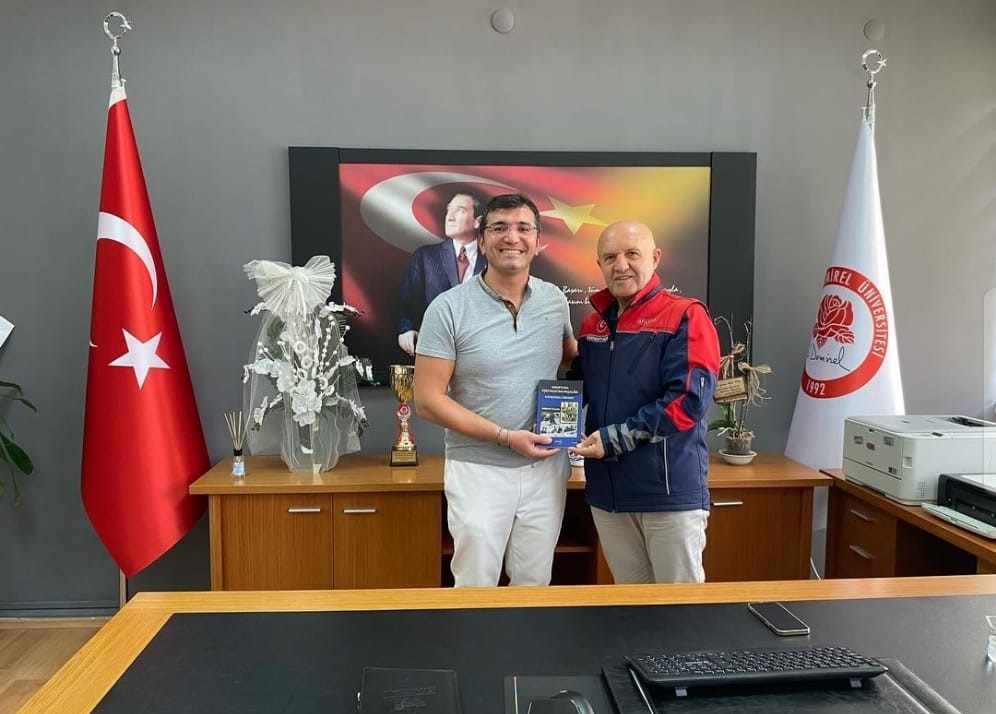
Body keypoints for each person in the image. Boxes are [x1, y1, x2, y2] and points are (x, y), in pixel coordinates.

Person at [413, 193, 577, 587]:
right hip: (478, 471)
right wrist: (504, 436)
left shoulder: (555, 300)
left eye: (523, 228)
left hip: (546, 470)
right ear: (482, 241)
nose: (512, 237)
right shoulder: (447, 308)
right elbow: (427, 401)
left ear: (537, 241)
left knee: (534, 586)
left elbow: (570, 358)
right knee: (475, 588)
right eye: (499, 228)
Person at [568, 220, 720, 584]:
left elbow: (688, 401)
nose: (620, 265)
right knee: (631, 605)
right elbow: (578, 387)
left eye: (632, 254)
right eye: (610, 257)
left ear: (655, 258)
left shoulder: (686, 315)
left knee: (679, 608)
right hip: (608, 495)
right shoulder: (592, 325)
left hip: (667, 494)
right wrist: (546, 421)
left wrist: (614, 439)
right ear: (599, 265)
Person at [397, 191, 486, 356]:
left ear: (477, 221)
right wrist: (406, 329)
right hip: (434, 351)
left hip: (481, 353)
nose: (449, 217)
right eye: (448, 210)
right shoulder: (425, 257)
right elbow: (405, 304)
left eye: (460, 211)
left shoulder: (493, 260)